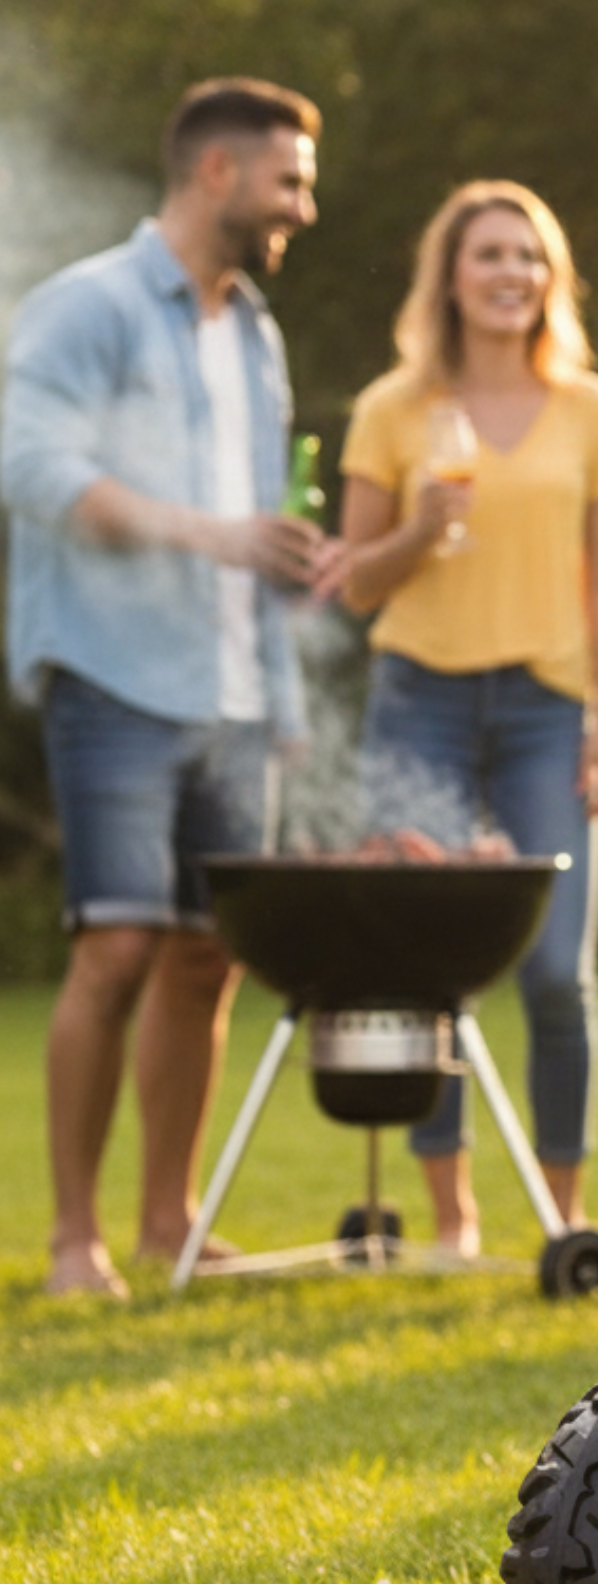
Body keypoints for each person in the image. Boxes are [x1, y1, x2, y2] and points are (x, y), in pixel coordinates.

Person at [1, 76, 329, 1296]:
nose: (303, 201)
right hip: (115, 674)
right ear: (216, 174)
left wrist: (285, 693)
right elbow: (32, 467)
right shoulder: (87, 305)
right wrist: (213, 534)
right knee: (118, 945)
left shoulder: (253, 328)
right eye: (288, 179)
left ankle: (166, 1220)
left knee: (207, 958)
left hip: (238, 688)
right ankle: (74, 1236)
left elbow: (264, 532)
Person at [332, 181, 598, 1254]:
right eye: (488, 255)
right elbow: (354, 583)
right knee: (425, 966)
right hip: (416, 699)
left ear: (550, 277)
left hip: (546, 707)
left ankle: (561, 1215)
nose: (511, 273)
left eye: (529, 255)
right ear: (450, 278)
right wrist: (421, 529)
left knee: (557, 966)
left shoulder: (592, 406)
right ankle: (452, 1217)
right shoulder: (390, 409)